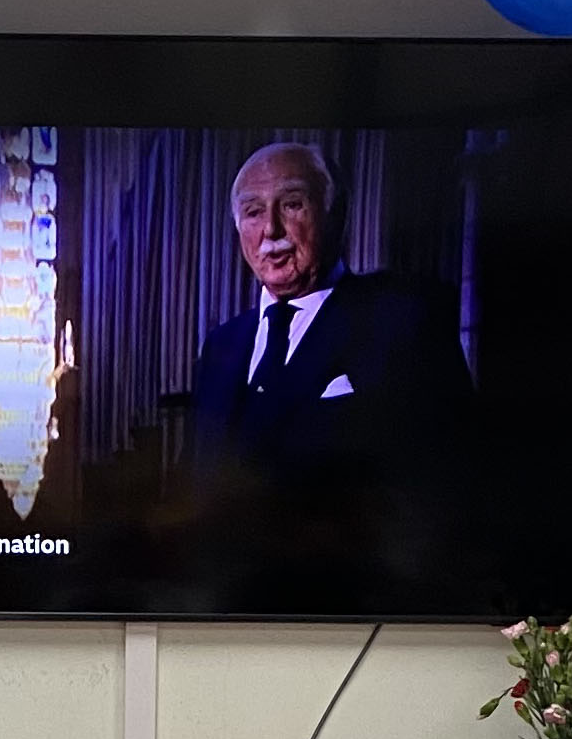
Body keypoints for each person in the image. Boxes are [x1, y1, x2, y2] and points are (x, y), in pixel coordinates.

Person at [186, 142, 476, 601]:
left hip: (350, 611)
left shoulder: (403, 322)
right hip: (224, 613)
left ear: (336, 213)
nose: (271, 231)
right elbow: (200, 495)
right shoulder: (221, 345)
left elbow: (446, 490)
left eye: (293, 205)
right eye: (253, 212)